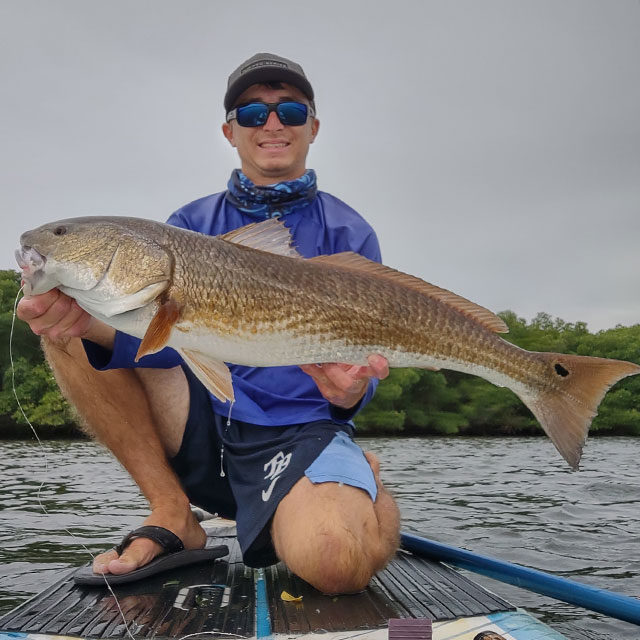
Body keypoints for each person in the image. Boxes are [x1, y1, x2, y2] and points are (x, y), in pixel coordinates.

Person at [17, 52, 400, 594]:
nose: (271, 123)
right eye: (251, 113)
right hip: (201, 418)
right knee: (68, 331)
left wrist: (347, 398)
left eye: (289, 110)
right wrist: (87, 325)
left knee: (337, 562)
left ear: (313, 126)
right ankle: (173, 512)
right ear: (229, 130)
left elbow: (367, 361)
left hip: (295, 430)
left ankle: (357, 476)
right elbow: (168, 345)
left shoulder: (350, 232)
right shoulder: (188, 227)